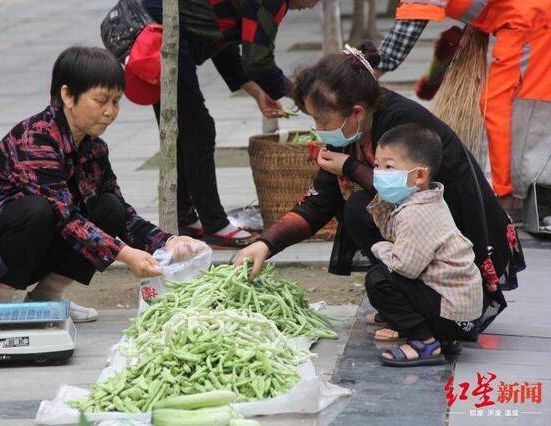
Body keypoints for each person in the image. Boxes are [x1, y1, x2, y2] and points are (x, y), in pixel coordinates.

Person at [235, 44, 525, 340]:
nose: (319, 128)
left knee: (375, 258)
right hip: (417, 231)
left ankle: (426, 321)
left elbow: (414, 192)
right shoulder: (350, 130)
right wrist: (265, 244)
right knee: (359, 210)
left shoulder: (403, 123)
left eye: (322, 120)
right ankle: (409, 297)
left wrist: (350, 167)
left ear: (356, 112)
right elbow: (320, 202)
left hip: (456, 226)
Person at [0, 46, 205, 322]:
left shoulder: (94, 148)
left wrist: (169, 241)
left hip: (33, 247)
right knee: (37, 210)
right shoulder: (36, 139)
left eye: (116, 101)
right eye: (101, 101)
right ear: (67, 96)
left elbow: (122, 213)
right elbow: (64, 218)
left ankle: (45, 299)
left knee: (108, 208)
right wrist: (125, 254)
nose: (110, 112)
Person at [125, 0, 321, 247]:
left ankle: (184, 217)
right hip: (160, 32)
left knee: (184, 130)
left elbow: (222, 41)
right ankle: (215, 225)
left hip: (158, 26)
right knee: (198, 130)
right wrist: (305, 97)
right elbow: (258, 61)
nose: (315, 5)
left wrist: (258, 93)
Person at [376, 0, 551, 215]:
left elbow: (400, 40)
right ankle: (510, 192)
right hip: (519, 17)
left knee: (507, 106)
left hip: (532, 19)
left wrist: (367, 70)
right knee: (501, 104)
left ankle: (510, 197)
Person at [363, 124, 482, 366]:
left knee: (379, 279)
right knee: (386, 272)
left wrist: (379, 248)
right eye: (376, 165)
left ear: (419, 176)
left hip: (454, 316)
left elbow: (404, 267)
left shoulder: (416, 213)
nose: (379, 173)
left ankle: (426, 341)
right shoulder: (425, 200)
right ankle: (440, 336)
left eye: (389, 167)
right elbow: (391, 232)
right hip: (459, 313)